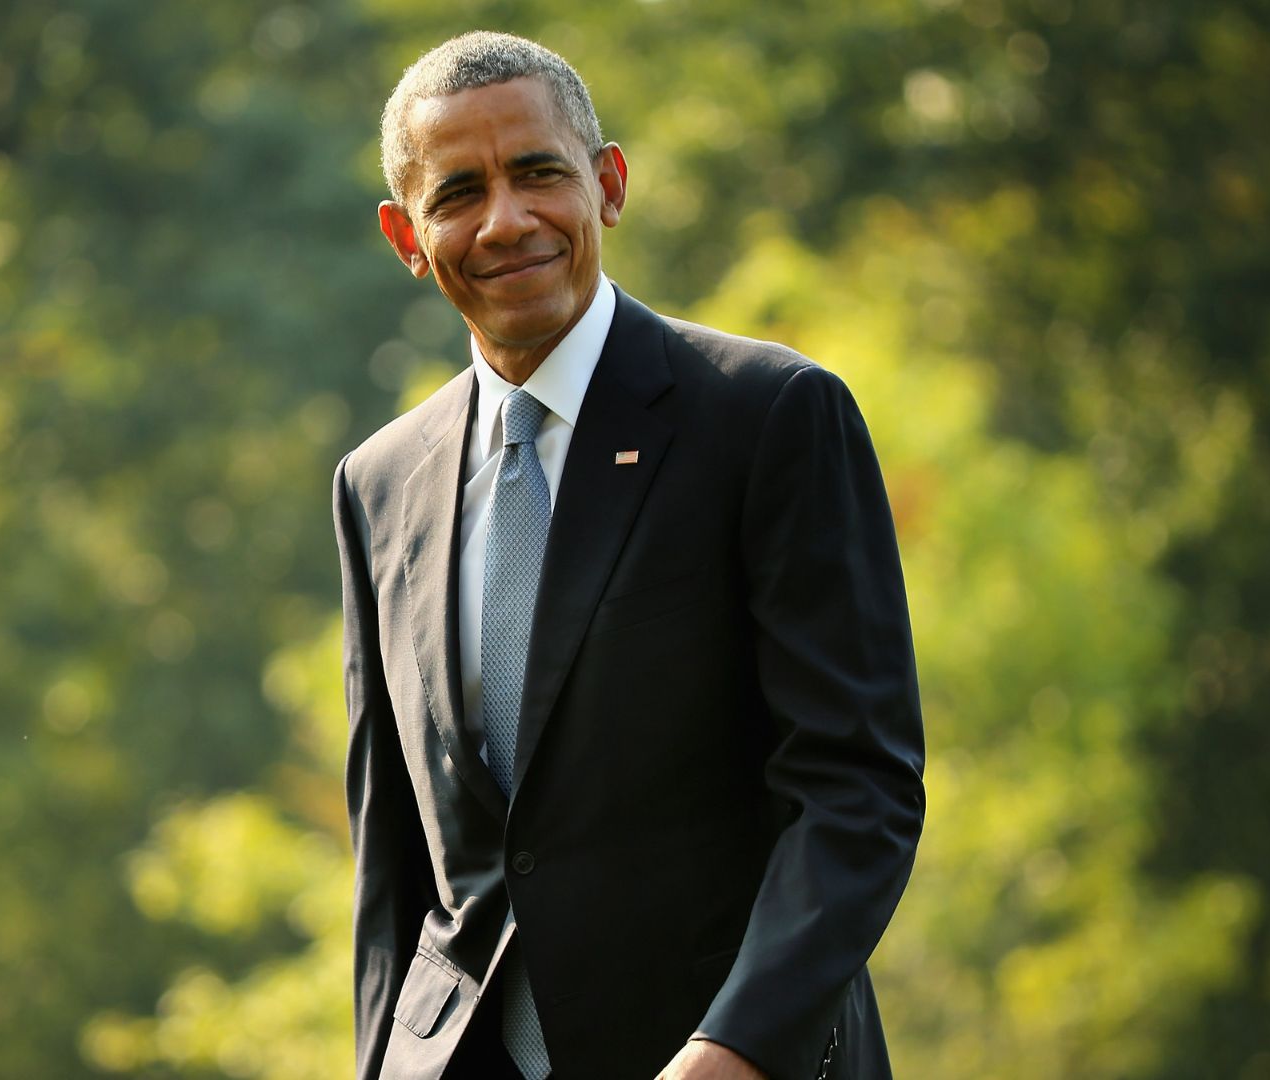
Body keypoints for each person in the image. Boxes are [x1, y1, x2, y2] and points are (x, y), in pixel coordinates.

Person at [333, 31, 924, 1080]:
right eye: (459, 193)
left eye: (539, 173)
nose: (506, 220)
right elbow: (394, 866)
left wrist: (737, 1047)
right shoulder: (378, 484)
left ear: (607, 184)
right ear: (406, 237)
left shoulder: (767, 417)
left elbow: (856, 790)